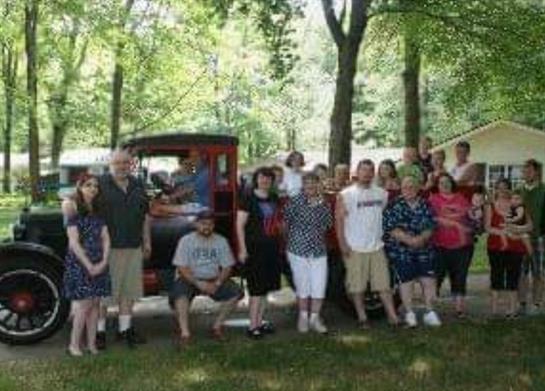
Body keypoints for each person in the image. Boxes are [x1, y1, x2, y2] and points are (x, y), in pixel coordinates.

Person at [336, 159, 400, 329]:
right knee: (357, 287)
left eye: (370, 170)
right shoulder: (346, 194)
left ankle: (392, 316)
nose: (367, 173)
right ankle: (362, 318)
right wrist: (343, 244)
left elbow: (382, 213)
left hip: (377, 246)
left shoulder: (381, 193)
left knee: (383, 284)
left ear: (374, 173)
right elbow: (339, 221)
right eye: (363, 170)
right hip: (355, 247)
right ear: (357, 172)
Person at [97, 149, 151, 348]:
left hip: (133, 245)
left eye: (126, 163)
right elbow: (78, 201)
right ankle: (99, 332)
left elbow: (145, 215)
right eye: (118, 162)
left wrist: (147, 241)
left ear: (131, 164)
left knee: (129, 291)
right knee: (104, 293)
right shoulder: (99, 183)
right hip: (107, 248)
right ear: (110, 164)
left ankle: (125, 330)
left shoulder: (138, 184)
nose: (122, 166)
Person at [169, 211, 242, 347]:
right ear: (196, 224)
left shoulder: (221, 241)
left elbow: (227, 267)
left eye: (210, 224)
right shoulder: (186, 241)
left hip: (213, 278)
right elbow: (181, 267)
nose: (206, 227)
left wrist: (218, 282)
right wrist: (198, 283)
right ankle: (185, 334)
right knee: (180, 296)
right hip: (190, 278)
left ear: (213, 225)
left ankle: (216, 327)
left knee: (236, 293)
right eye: (203, 224)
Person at [62, 174, 111, 356]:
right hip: (80, 262)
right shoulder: (73, 209)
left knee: (96, 304)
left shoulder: (98, 210)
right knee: (84, 305)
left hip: (100, 261)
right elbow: (73, 242)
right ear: (80, 187)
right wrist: (89, 265)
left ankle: (91, 344)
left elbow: (106, 238)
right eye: (88, 185)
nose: (93, 189)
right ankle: (74, 345)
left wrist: (104, 261)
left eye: (95, 186)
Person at [383, 176, 441, 327]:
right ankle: (409, 313)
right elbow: (390, 228)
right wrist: (410, 241)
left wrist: (420, 239)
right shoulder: (393, 205)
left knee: (428, 280)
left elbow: (431, 225)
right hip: (401, 251)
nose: (408, 189)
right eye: (405, 187)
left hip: (424, 249)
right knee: (406, 281)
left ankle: (429, 312)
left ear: (418, 188)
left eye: (412, 186)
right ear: (401, 189)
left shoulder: (426, 204)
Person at [237, 167, 283, 338]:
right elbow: (239, 225)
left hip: (271, 248)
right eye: (262, 178)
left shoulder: (273, 198)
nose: (265, 181)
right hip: (254, 249)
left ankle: (260, 321)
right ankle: (252, 326)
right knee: (256, 289)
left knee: (266, 288)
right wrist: (242, 249)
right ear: (256, 179)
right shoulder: (248, 198)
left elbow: (277, 221)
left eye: (268, 178)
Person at [284, 172, 333, 334]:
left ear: (318, 184)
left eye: (313, 182)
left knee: (319, 285)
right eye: (307, 183)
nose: (311, 185)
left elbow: (327, 224)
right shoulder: (295, 201)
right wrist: (287, 245)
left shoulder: (324, 203)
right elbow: (285, 223)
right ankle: (303, 317)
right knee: (302, 285)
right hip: (298, 250)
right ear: (303, 185)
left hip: (318, 250)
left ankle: (315, 318)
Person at [485, 178, 532, 318]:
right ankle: (494, 311)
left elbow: (530, 226)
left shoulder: (518, 204)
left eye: (505, 187)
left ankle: (512, 310)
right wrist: (503, 232)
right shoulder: (490, 205)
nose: (502, 190)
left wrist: (515, 229)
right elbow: (487, 227)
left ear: (509, 189)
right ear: (496, 189)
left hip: (515, 247)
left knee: (513, 277)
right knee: (496, 277)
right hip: (495, 247)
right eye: (499, 187)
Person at [428, 173, 473, 317]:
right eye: (441, 182)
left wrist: (473, 221)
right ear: (437, 185)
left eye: (447, 182)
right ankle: (431, 309)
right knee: (436, 276)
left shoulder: (461, 198)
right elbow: (429, 218)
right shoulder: (433, 199)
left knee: (460, 277)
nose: (445, 185)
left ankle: (459, 310)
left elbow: (470, 217)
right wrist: (446, 221)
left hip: (462, 246)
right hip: (439, 245)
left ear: (452, 183)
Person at [518, 159, 545, 313]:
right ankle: (522, 303)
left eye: (528, 170)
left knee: (539, 272)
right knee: (522, 271)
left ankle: (536, 304)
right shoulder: (519, 191)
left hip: (539, 238)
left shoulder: (543, 190)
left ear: (536, 172)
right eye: (524, 171)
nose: (525, 173)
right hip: (521, 238)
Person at [505, 190, 533, 255]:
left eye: (517, 199)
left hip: (520, 230)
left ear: (522, 200)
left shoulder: (522, 208)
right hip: (511, 233)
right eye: (512, 198)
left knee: (525, 237)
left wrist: (514, 224)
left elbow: (529, 225)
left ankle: (531, 254)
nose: (514, 201)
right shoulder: (509, 208)